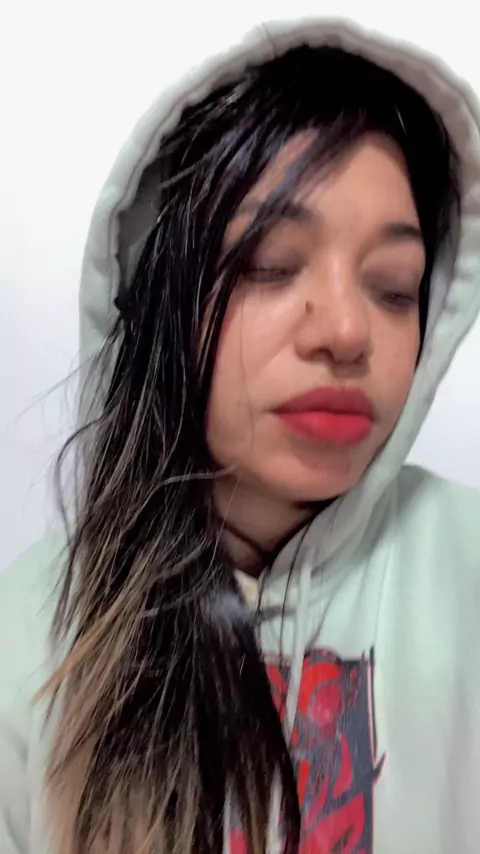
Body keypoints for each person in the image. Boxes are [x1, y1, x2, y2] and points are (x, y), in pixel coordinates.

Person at [2, 15, 480, 854]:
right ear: (162, 300)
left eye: (394, 287)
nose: (347, 331)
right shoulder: (33, 635)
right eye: (270, 264)